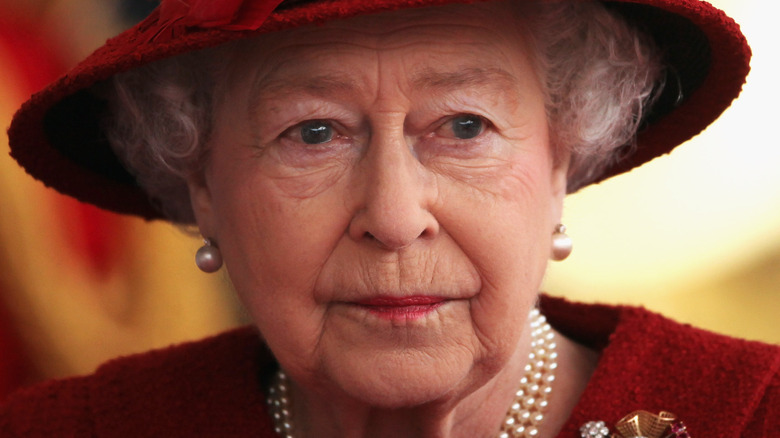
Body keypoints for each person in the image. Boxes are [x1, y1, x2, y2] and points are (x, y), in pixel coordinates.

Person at [2, 0, 778, 436]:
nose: (395, 217)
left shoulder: (753, 414)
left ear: (560, 162)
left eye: (464, 126)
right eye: (313, 133)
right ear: (202, 185)